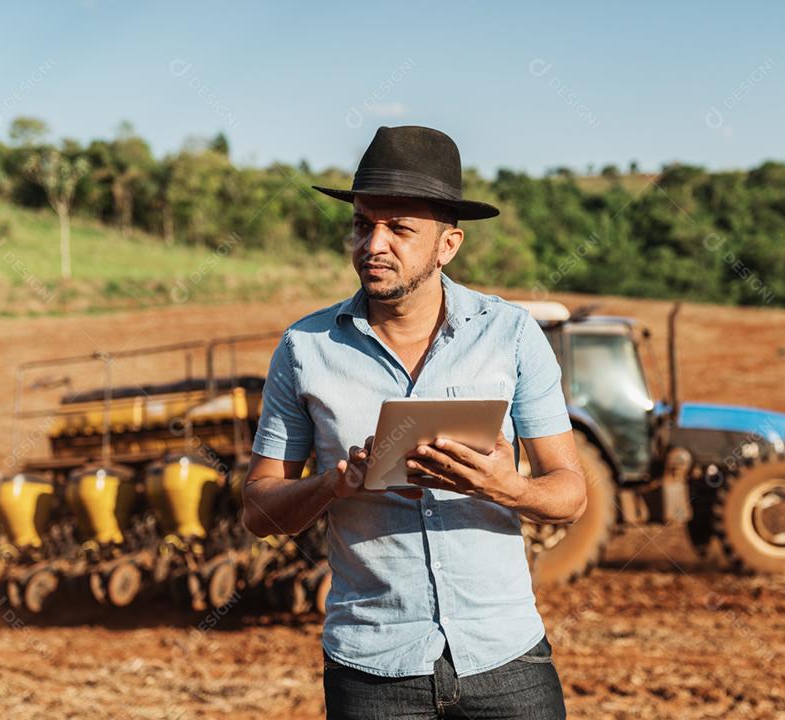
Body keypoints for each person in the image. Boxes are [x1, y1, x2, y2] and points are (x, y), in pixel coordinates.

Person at [242, 125, 586, 719]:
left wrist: (505, 486)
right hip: (372, 673)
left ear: (447, 245)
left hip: (507, 663)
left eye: (400, 229)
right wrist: (333, 484)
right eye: (362, 224)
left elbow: (572, 494)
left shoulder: (511, 334)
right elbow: (258, 511)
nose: (375, 244)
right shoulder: (304, 348)